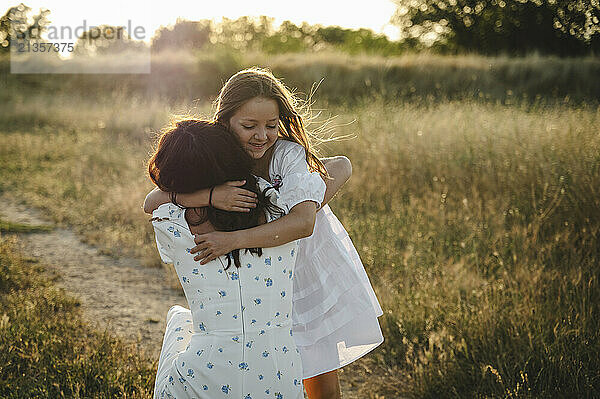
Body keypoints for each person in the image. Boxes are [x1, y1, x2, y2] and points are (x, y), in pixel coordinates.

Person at [144, 68, 383, 399]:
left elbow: (306, 219)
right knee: (272, 359)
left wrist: (234, 239)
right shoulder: (215, 152)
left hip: (302, 263)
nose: (262, 135)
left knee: (318, 376)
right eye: (249, 126)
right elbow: (152, 199)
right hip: (261, 273)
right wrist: (212, 196)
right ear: (225, 121)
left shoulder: (286, 154)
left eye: (271, 125)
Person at [148, 119, 324, 398]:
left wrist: (204, 196)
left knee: (180, 320)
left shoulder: (169, 220)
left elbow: (152, 201)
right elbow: (340, 167)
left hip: (202, 378)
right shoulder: (282, 208)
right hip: (281, 377)